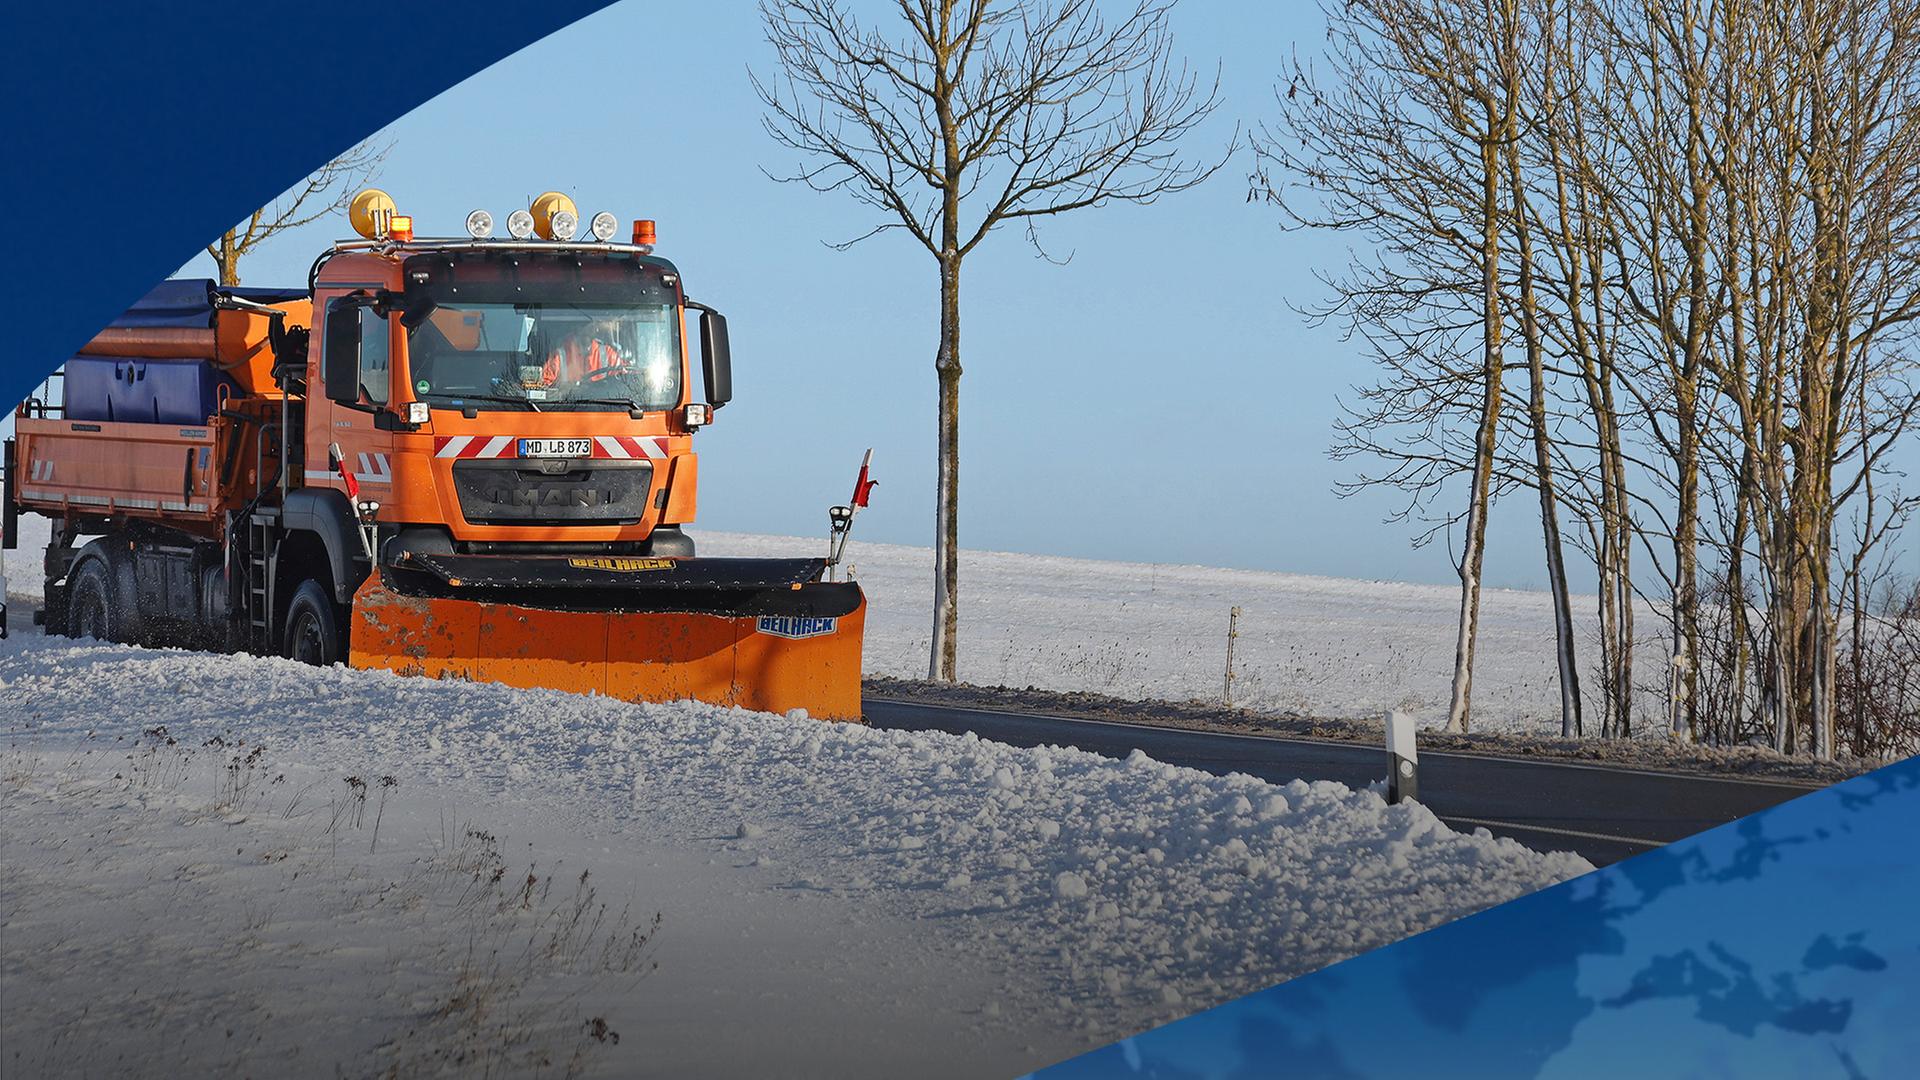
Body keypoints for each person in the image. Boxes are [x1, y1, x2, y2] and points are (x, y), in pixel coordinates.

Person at [543, 316, 627, 387]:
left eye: (591, 324)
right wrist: (563, 390)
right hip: (567, 404)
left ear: (596, 328)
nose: (588, 329)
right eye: (583, 325)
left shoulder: (608, 354)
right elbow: (545, 384)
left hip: (604, 404)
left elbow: (624, 380)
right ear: (576, 329)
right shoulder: (559, 356)